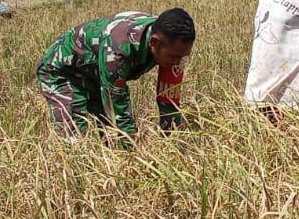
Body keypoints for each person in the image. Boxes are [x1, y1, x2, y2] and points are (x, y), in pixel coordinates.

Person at [37, 8, 195, 139]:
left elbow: (169, 102)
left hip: (95, 72)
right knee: (74, 137)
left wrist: (171, 141)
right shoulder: (118, 52)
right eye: (174, 57)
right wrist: (135, 155)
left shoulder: (172, 45)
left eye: (183, 57)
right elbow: (118, 112)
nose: (178, 62)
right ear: (154, 43)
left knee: (106, 135)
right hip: (62, 70)